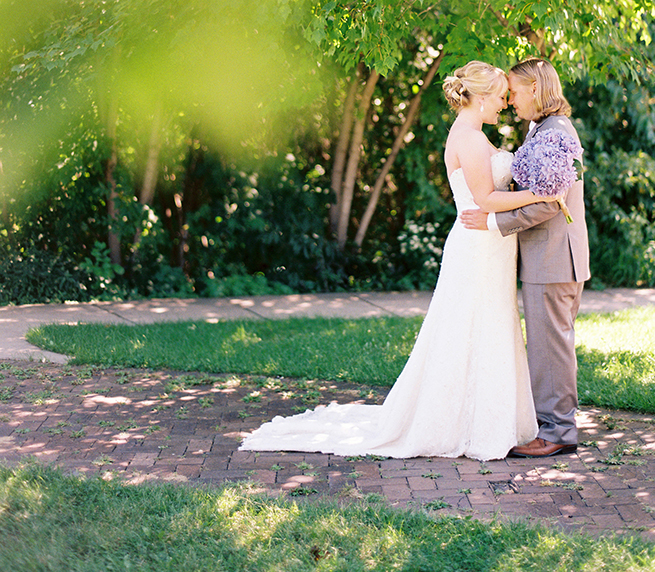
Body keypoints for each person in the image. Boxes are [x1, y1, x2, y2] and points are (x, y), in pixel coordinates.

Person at [240, 61, 558, 461]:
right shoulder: (472, 140)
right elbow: (487, 201)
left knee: (483, 327)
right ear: (478, 98)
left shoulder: (471, 134)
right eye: (498, 97)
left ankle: (484, 420)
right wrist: (543, 194)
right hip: (478, 247)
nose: (503, 104)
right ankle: (467, 425)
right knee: (470, 328)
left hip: (488, 245)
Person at [461, 57, 590, 457]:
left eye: (514, 92)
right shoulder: (546, 131)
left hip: (553, 257)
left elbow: (551, 203)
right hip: (552, 257)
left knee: (550, 348)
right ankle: (554, 426)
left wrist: (493, 223)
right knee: (550, 345)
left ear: (534, 88)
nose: (510, 101)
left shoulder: (555, 134)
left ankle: (556, 433)